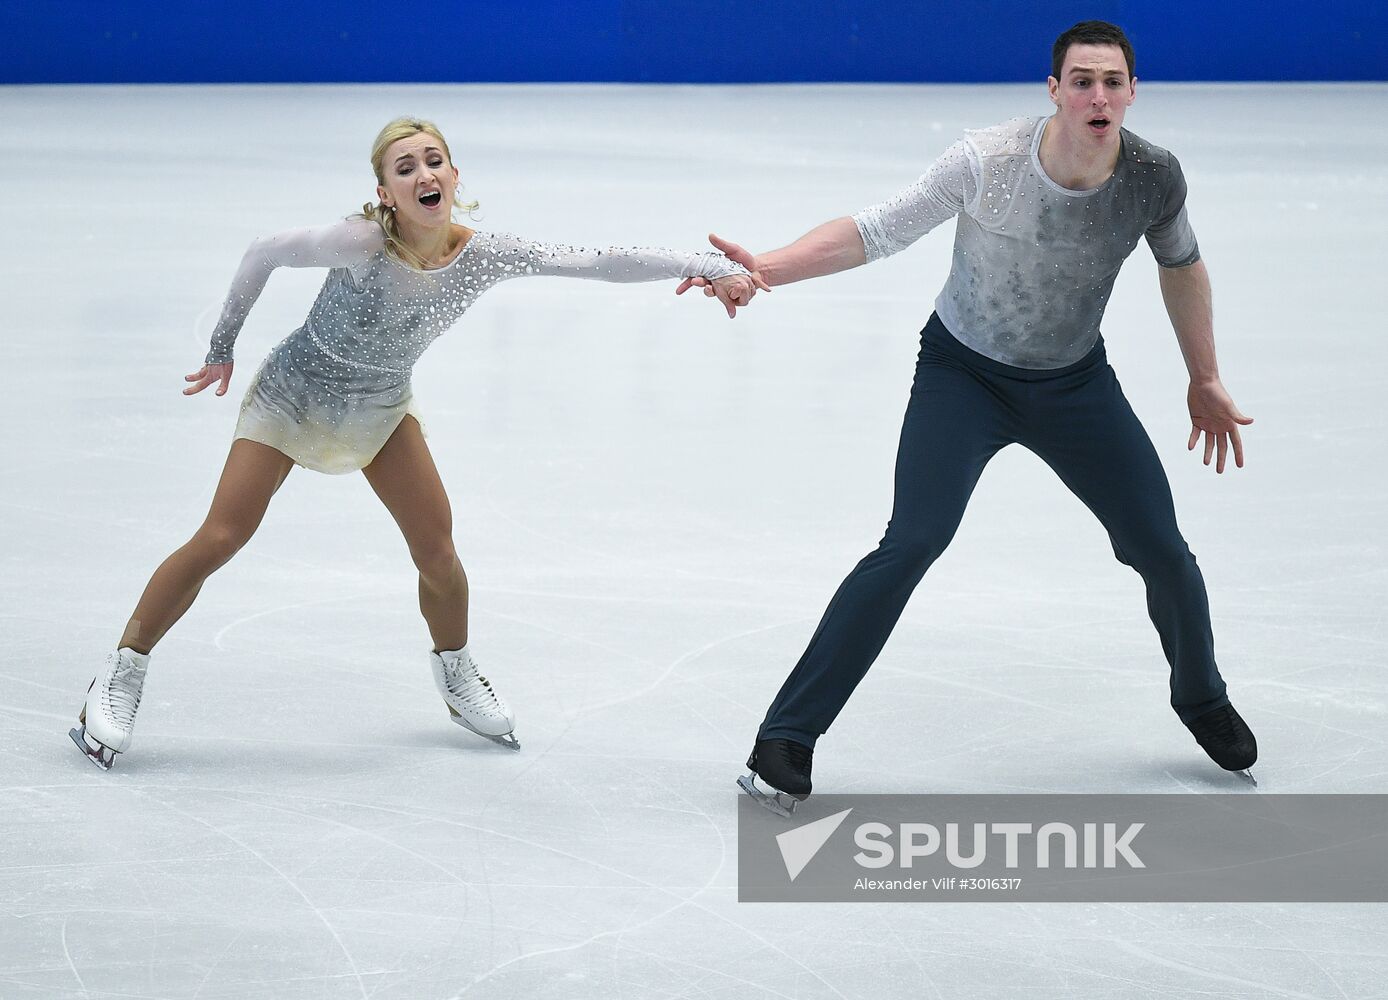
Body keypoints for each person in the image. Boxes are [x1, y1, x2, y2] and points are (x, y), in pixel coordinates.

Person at [681, 20, 1258, 813]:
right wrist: (768, 269)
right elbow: (875, 230)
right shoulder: (986, 162)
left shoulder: (1155, 177)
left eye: (1112, 81)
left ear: (1132, 91)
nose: (1098, 95)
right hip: (962, 375)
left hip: (1073, 385)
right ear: (1053, 91)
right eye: (1081, 80)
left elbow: (1181, 263)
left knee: (1159, 546)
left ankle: (1201, 697)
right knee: (911, 540)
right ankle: (787, 736)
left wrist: (1204, 376)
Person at [70, 116, 765, 770]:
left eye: (433, 161)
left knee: (439, 551)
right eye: (406, 167)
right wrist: (222, 346)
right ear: (385, 193)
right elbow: (264, 252)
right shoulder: (360, 243)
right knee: (222, 535)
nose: (423, 173)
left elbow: (601, 261)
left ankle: (457, 671)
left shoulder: (482, 255)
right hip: (296, 392)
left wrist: (704, 263)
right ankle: (121, 671)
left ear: (455, 177)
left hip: (379, 405)